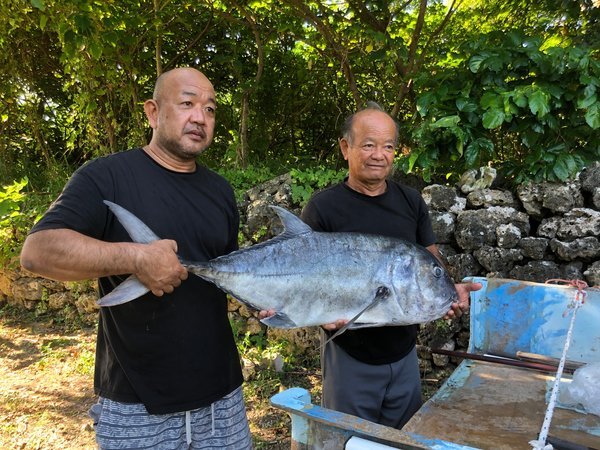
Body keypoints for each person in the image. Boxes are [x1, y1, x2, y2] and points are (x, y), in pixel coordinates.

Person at [20, 68, 252, 449]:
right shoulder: (106, 177)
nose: (200, 117)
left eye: (210, 109)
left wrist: (277, 298)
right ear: (153, 112)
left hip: (221, 397)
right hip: (137, 401)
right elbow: (38, 251)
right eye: (187, 103)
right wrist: (136, 257)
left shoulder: (220, 191)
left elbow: (225, 275)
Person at [300, 102, 482, 430]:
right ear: (346, 147)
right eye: (368, 145)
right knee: (349, 439)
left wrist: (448, 288)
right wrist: (319, 314)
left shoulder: (410, 201)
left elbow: (430, 260)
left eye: (388, 146)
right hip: (348, 354)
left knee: (401, 437)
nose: (379, 155)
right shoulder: (323, 207)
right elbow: (302, 274)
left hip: (403, 353)